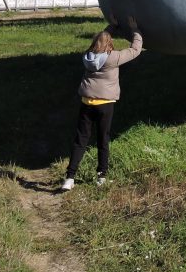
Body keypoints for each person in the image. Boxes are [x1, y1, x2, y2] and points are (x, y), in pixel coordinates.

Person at [61, 16, 143, 191]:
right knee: (102, 140)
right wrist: (135, 29)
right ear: (110, 44)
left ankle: (69, 177)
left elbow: (102, 38)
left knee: (80, 141)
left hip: (86, 103)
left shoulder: (87, 56)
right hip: (105, 105)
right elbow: (135, 49)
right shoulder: (112, 58)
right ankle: (101, 176)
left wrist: (112, 26)